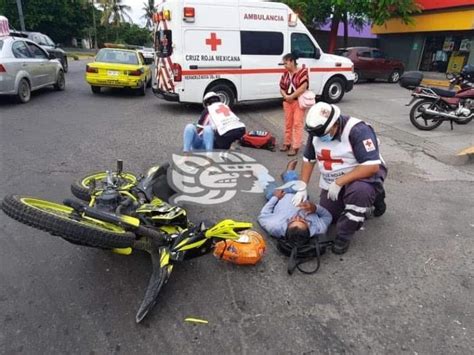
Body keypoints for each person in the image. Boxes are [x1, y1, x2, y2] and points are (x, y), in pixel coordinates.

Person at [298, 101, 387, 254]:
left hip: (362, 175)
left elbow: (371, 166)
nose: (321, 138)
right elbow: (308, 159)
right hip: (333, 178)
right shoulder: (316, 132)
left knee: (360, 193)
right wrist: (302, 186)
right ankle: (371, 194)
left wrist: (340, 182)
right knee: (330, 216)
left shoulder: (358, 130)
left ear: (335, 123)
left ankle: (344, 236)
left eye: (324, 134)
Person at [258, 159, 332, 239]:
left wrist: (275, 198)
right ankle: (289, 172)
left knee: (267, 183)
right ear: (309, 229)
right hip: (298, 195)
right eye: (303, 221)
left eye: (292, 220)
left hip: (279, 198)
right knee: (296, 185)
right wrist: (315, 208)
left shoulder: (274, 227)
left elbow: (263, 215)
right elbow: (328, 217)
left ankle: (260, 173)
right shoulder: (318, 229)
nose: (297, 216)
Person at [279, 53, 309, 156]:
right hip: (287, 102)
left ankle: (295, 146)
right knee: (288, 123)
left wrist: (291, 96)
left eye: (286, 63)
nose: (284, 66)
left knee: (297, 124)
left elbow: (303, 87)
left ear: (292, 61)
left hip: (297, 101)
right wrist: (286, 96)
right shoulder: (285, 74)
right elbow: (282, 87)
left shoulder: (302, 72)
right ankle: (287, 143)